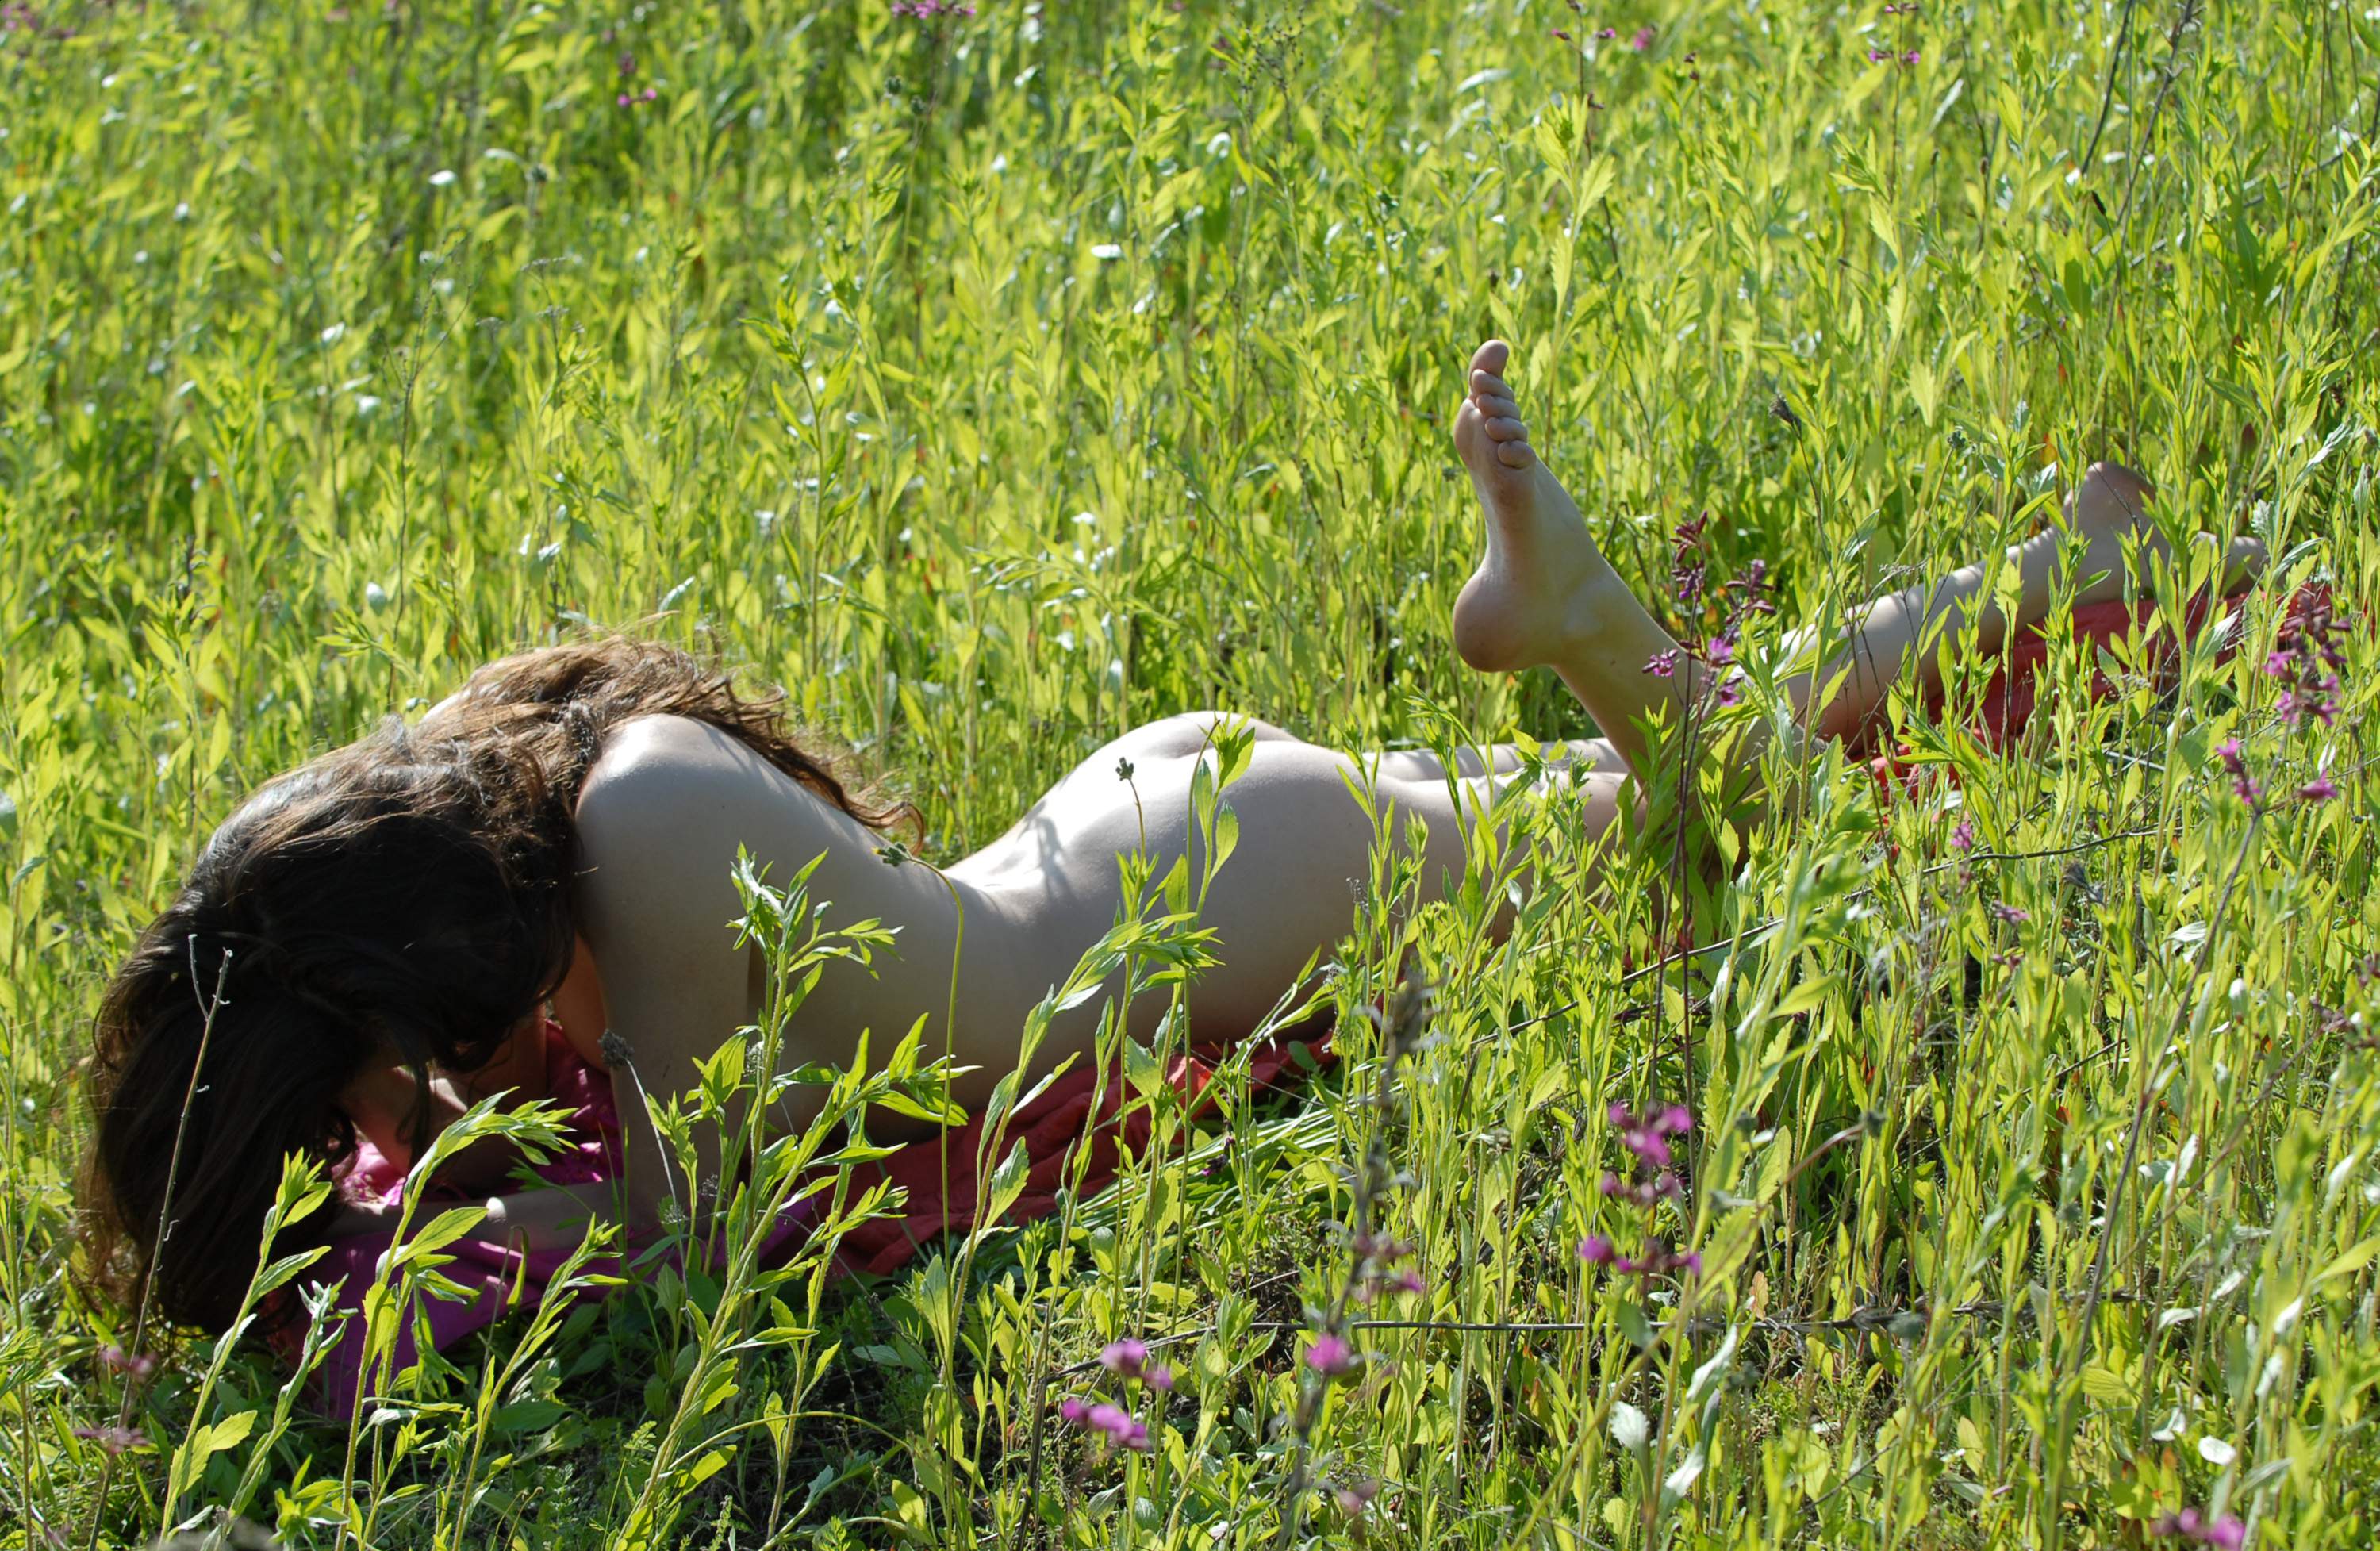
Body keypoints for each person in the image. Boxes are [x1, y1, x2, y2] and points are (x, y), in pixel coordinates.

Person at [76, 340, 2261, 1334]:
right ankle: (2037, 577)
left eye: (368, 1099)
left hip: (1231, 894)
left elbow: (683, 1237)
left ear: (394, 961)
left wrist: (442, 1272)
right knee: (1668, 817)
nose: (404, 1137)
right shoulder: (564, 824)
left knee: (1729, 865)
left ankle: (1604, 618)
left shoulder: (636, 838)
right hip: (1164, 840)